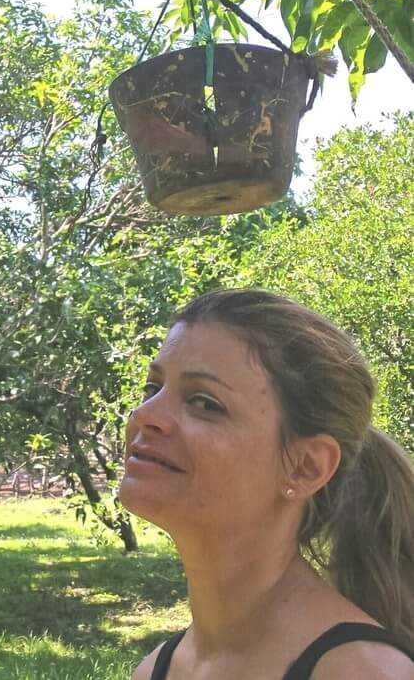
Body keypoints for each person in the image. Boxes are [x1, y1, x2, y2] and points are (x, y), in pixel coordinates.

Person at [122, 289, 414, 679]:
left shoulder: (361, 672)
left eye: (205, 402)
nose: (145, 414)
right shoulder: (155, 669)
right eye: (152, 387)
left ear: (306, 468)